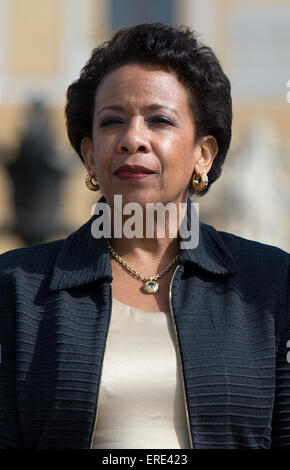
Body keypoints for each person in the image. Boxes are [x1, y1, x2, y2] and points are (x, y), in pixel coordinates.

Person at [0, 23, 289, 450]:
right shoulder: (16, 289)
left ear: (202, 155)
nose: (133, 139)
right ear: (90, 155)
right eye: (112, 121)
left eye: (160, 120)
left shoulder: (271, 285)